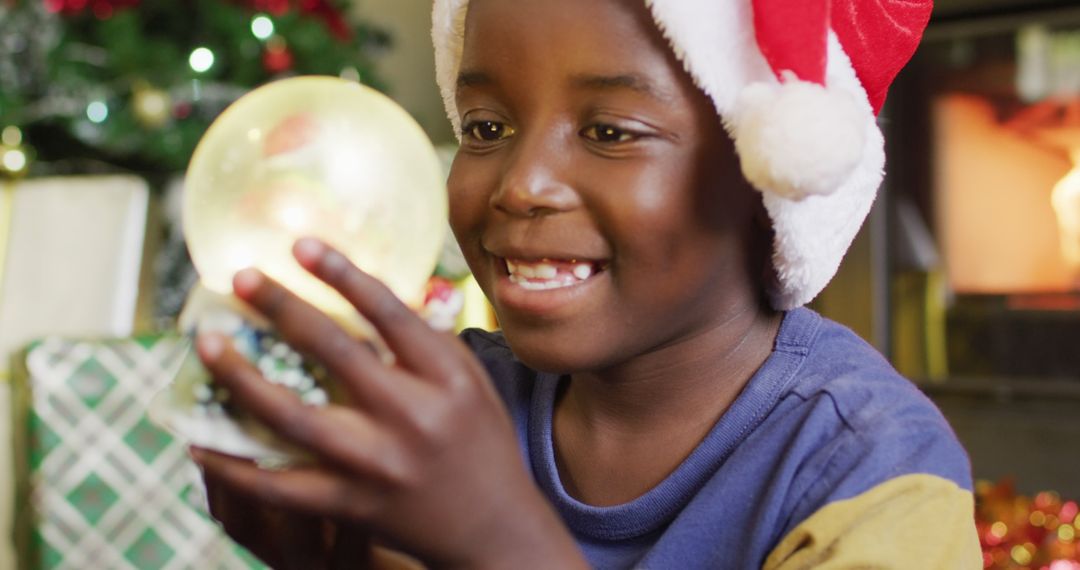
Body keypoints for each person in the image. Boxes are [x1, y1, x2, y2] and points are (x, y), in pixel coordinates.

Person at [190, 0, 982, 567]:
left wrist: (498, 542)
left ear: (766, 176)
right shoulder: (448, 409)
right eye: (485, 128)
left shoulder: (870, 470)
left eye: (609, 132)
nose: (523, 184)